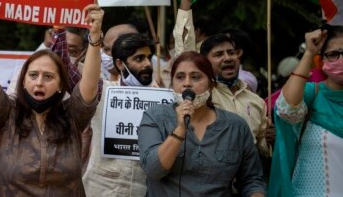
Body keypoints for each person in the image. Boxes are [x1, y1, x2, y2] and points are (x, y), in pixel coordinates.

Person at [0, 0, 103, 196]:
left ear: (60, 85)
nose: (39, 82)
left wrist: (94, 35)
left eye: (48, 76)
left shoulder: (73, 115)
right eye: (33, 75)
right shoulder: (7, 114)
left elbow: (90, 85)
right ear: (23, 81)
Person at [139, 51, 266, 196]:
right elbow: (153, 169)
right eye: (180, 77)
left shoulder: (236, 126)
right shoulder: (155, 117)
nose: (187, 83)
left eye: (196, 77)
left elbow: (251, 180)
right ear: (172, 83)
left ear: (211, 84)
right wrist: (180, 130)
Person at [269, 26, 343, 196]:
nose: (341, 59)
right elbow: (286, 109)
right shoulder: (312, 93)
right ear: (321, 61)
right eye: (333, 54)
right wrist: (309, 52)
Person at [82, 32, 155, 196]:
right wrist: (94, 35)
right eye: (139, 58)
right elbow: (72, 71)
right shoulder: (103, 92)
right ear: (120, 64)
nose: (147, 64)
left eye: (149, 57)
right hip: (99, 189)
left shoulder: (163, 98)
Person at [200, 34, 270, 157]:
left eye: (231, 53)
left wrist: (270, 140)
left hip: (248, 173)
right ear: (205, 62)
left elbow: (263, 149)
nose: (228, 58)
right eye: (219, 54)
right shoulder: (202, 96)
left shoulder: (257, 101)